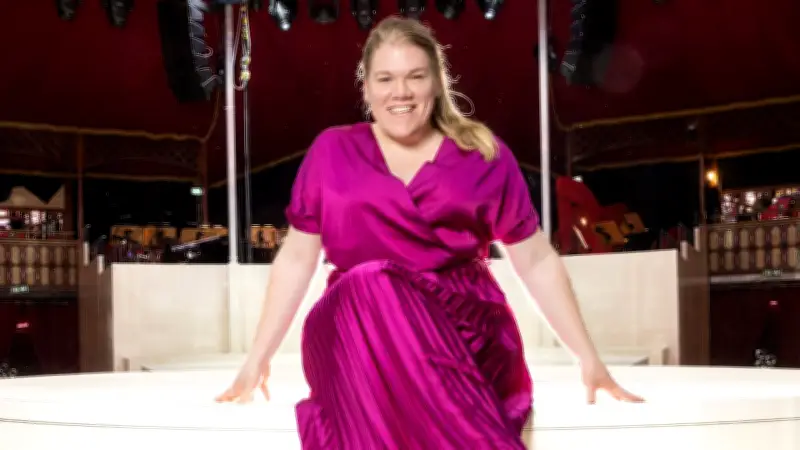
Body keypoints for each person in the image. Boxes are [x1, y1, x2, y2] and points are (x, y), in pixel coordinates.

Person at [216, 16, 642, 449]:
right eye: (385, 79)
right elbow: (295, 259)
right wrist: (258, 358)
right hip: (358, 331)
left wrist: (587, 357)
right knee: (372, 281)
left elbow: (535, 260)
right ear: (366, 88)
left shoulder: (483, 153)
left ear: (437, 82)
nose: (400, 92)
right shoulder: (331, 151)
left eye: (415, 77)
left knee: (373, 281)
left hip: (464, 330)